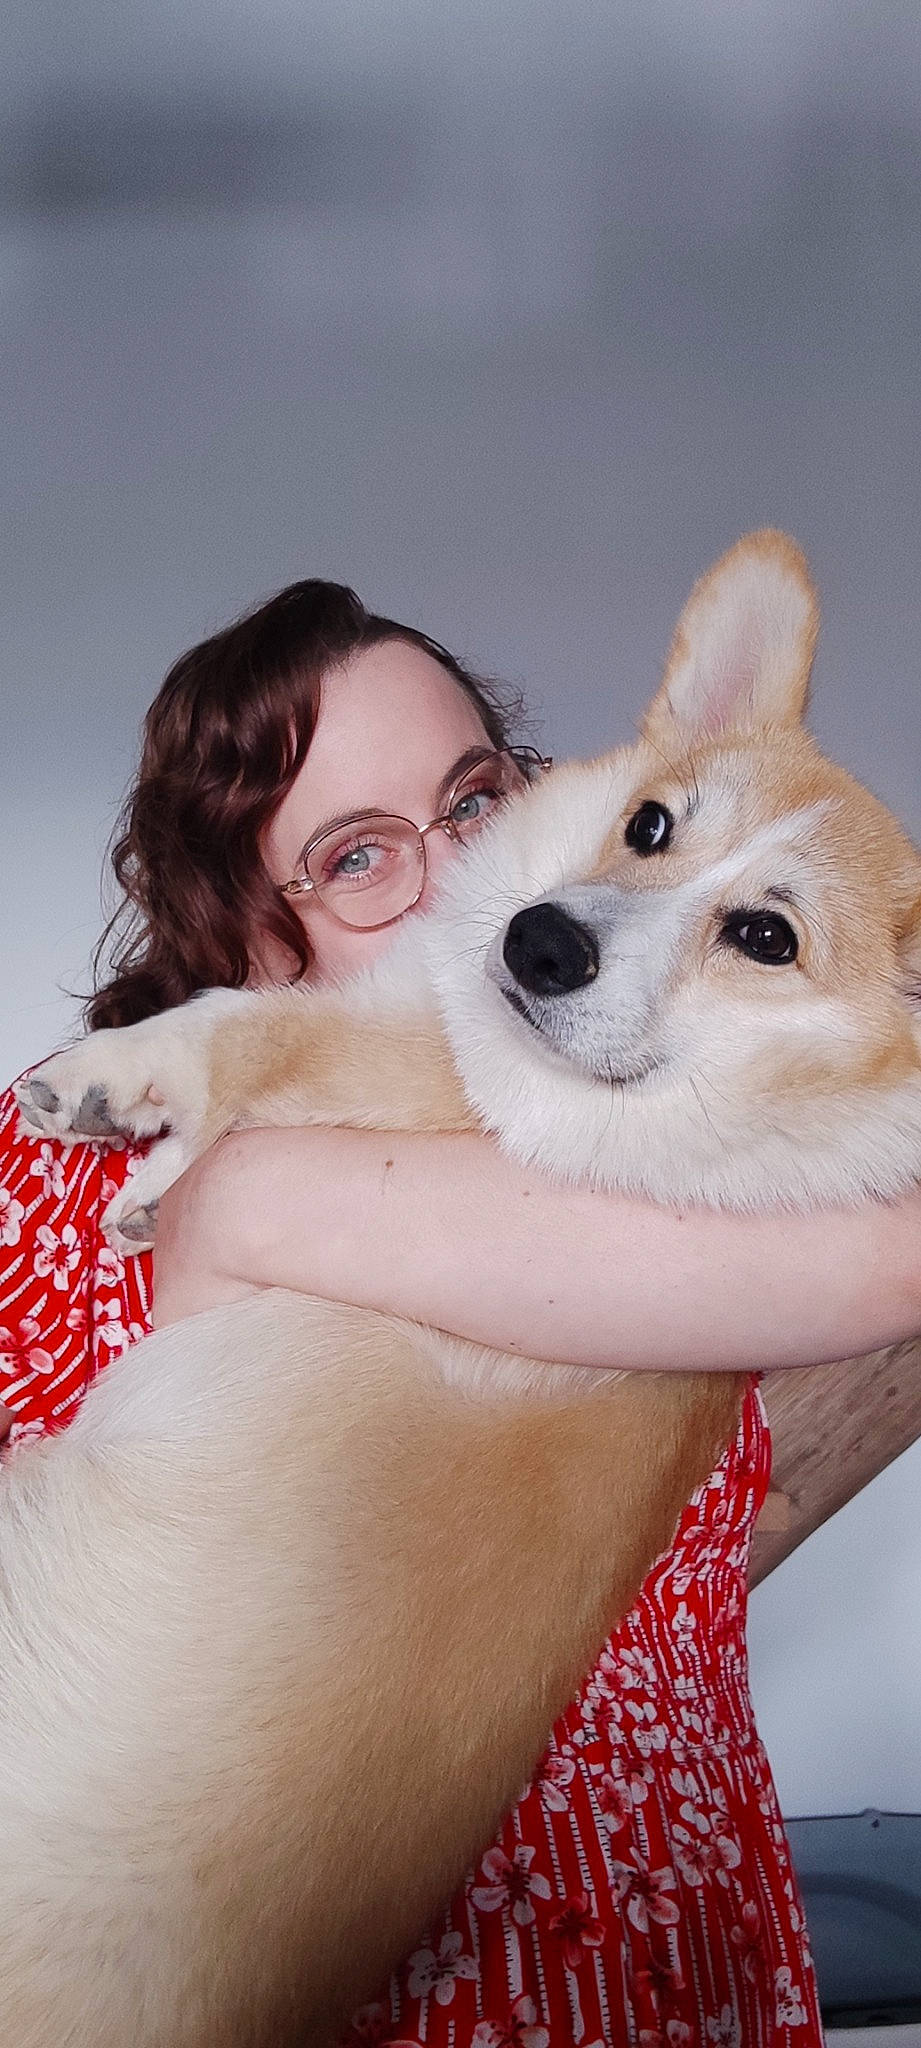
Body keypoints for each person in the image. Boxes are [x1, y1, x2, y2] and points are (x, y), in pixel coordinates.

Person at [2, 581, 920, 2047]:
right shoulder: (132, 1172)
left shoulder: (649, 1126)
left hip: (669, 1983)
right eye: (356, 856)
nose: (460, 889)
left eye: (477, 804)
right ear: (246, 929)